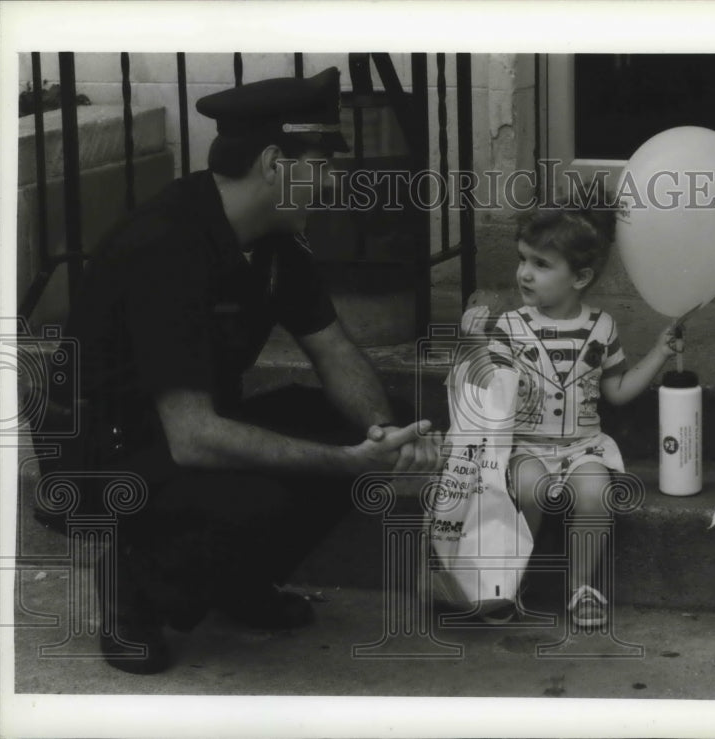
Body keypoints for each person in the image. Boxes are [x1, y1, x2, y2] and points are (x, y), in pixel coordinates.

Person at [39, 67, 442, 674]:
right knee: (271, 482)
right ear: (277, 163)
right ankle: (133, 590)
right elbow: (194, 436)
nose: (335, 181)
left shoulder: (276, 236)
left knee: (346, 425)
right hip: (110, 454)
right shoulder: (167, 246)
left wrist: (382, 436)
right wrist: (344, 462)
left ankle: (236, 582)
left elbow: (333, 350)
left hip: (184, 431)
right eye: (324, 164)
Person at [463, 205, 681, 628]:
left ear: (580, 278)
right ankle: (506, 582)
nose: (524, 273)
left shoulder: (602, 327)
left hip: (583, 447)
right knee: (529, 488)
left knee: (597, 492)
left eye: (541, 264)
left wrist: (659, 352)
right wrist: (474, 345)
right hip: (527, 446)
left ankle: (581, 586)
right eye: (522, 259)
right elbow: (488, 390)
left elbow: (616, 391)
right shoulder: (510, 325)